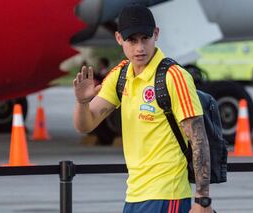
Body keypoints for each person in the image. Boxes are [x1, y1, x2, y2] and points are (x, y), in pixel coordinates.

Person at [73, 4, 214, 213]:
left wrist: (202, 200)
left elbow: (198, 138)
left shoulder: (174, 76)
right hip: (134, 195)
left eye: (145, 38)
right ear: (119, 38)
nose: (139, 48)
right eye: (132, 40)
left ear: (156, 34)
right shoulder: (121, 74)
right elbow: (85, 125)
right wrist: (82, 103)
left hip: (168, 196)